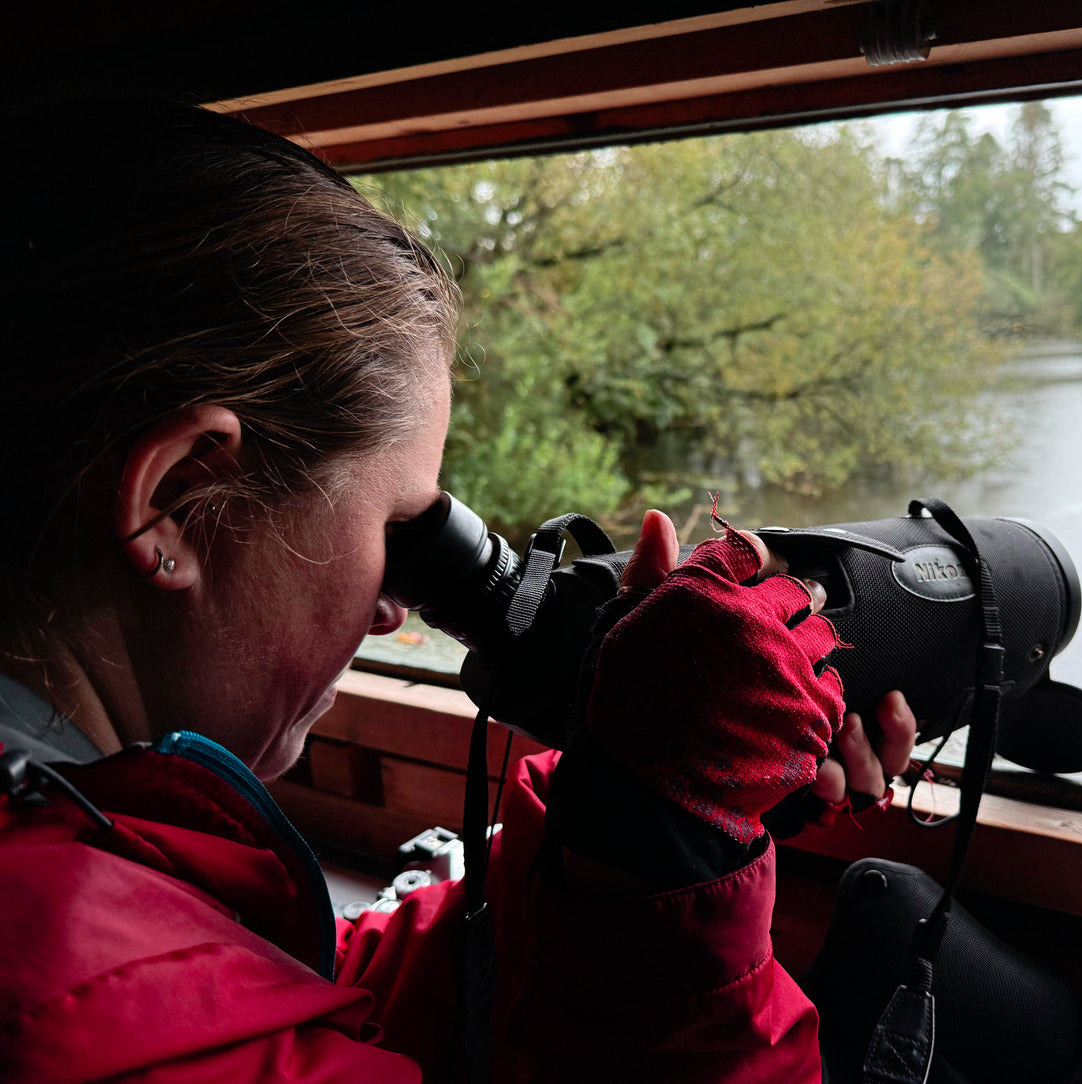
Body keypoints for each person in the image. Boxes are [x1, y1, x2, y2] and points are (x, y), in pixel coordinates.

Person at [0, 99, 916, 1081]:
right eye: (394, 531)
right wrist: (673, 856)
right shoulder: (76, 1012)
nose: (394, 609)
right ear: (182, 500)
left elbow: (273, 1001)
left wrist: (617, 838)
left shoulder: (71, 855)